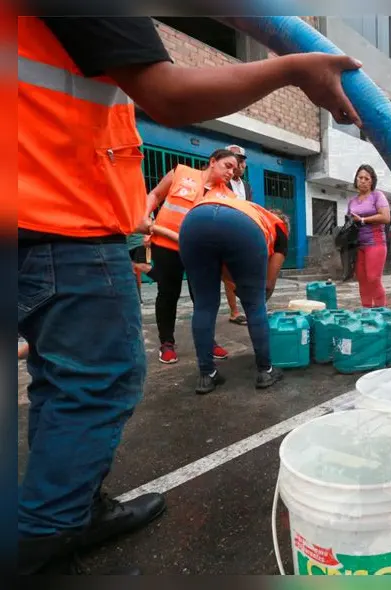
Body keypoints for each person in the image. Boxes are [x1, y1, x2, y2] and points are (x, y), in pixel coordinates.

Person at [17, 15, 362, 575]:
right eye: (232, 159)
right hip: (66, 222)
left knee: (61, 380)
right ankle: (44, 536)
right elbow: (169, 94)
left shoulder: (213, 190)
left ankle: (79, 498)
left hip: (39, 220)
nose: (234, 164)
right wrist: (295, 67)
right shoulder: (251, 214)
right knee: (95, 385)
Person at [178, 197, 290, 394]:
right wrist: (252, 298)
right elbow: (268, 284)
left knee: (204, 304)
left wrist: (240, 286)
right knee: (255, 304)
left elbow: (225, 269)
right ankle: (266, 370)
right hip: (240, 227)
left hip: (193, 220)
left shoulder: (250, 208)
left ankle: (207, 375)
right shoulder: (279, 227)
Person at [144, 149, 239, 364]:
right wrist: (144, 216)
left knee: (203, 298)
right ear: (213, 161)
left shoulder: (228, 196)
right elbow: (156, 195)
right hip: (166, 245)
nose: (231, 172)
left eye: (234, 169)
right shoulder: (180, 173)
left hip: (201, 253)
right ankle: (166, 343)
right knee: (168, 293)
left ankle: (207, 340)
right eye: (228, 166)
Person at [347, 164, 391, 307]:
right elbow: (350, 221)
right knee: (362, 280)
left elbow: (386, 217)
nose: (363, 181)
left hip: (376, 243)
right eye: (360, 177)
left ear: (372, 181)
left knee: (373, 278)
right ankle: (366, 311)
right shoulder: (352, 201)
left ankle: (381, 313)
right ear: (356, 179)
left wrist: (364, 220)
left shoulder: (377, 196)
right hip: (358, 245)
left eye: (367, 178)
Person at [224, 144, 253, 326]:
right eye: (237, 162)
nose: (240, 166)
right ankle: (234, 312)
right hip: (227, 233)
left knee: (244, 273)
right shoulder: (221, 182)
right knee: (229, 275)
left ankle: (247, 307)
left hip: (244, 233)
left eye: (242, 162)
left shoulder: (247, 186)